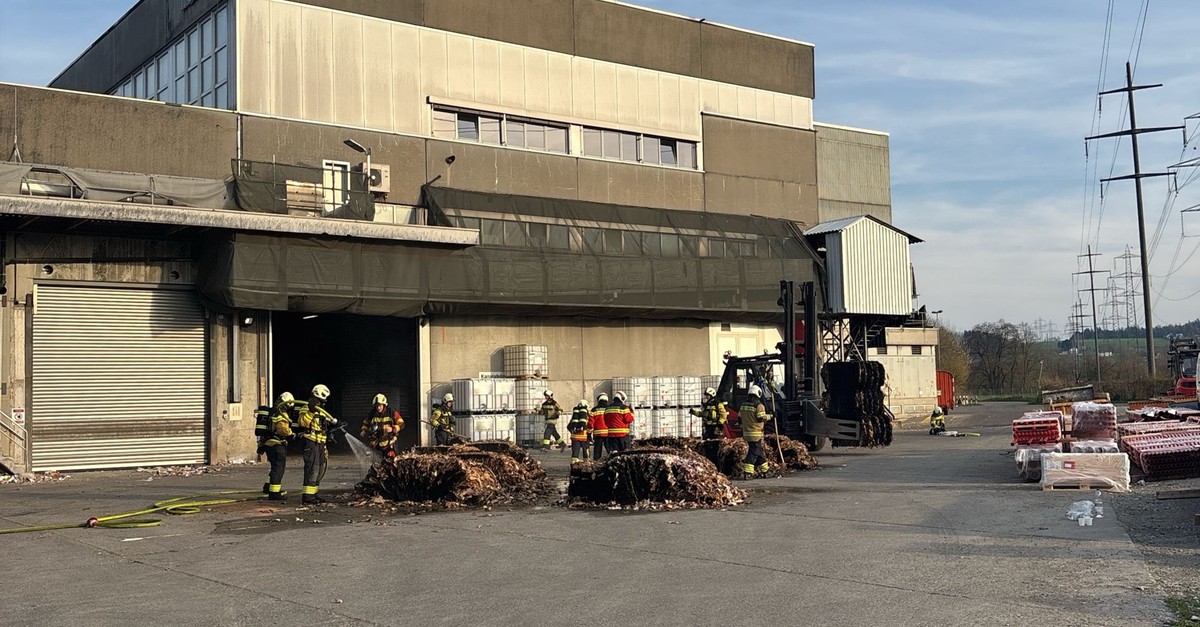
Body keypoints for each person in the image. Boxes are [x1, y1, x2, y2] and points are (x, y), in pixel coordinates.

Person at [297, 384, 338, 505]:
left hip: (320, 443)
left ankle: (313, 494)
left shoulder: (321, 410)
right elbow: (302, 423)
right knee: (312, 469)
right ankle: (308, 496)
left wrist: (334, 424)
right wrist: (310, 411)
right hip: (311, 442)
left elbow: (325, 424)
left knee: (320, 469)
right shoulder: (306, 407)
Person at [263, 392, 298, 501]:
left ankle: (267, 487)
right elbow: (282, 429)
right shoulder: (281, 414)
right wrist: (291, 434)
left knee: (274, 466)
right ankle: (274, 493)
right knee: (279, 468)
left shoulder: (271, 412)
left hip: (268, 443)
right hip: (277, 444)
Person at [361, 393, 404, 461]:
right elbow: (366, 422)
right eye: (377, 406)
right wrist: (364, 430)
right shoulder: (373, 413)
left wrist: (393, 429)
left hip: (390, 443)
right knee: (377, 463)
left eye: (380, 405)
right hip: (376, 443)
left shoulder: (391, 412)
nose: (378, 408)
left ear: (384, 405)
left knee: (391, 463)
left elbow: (401, 424)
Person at [738, 385, 770, 477]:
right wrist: (770, 416)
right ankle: (748, 472)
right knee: (753, 452)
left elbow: (739, 418)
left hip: (746, 433)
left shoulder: (743, 405)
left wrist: (743, 427)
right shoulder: (759, 406)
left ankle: (765, 471)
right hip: (756, 433)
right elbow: (761, 418)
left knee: (758, 450)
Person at [691, 386, 728, 463]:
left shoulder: (718, 404)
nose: (706, 397)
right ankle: (709, 460)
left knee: (716, 446)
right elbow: (703, 414)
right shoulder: (707, 405)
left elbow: (723, 414)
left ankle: (716, 461)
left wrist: (720, 423)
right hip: (708, 428)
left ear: (712, 395)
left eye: (708, 395)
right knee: (707, 446)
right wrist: (694, 412)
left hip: (715, 428)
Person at [589, 393, 609, 460]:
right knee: (610, 450)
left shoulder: (594, 410)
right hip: (608, 433)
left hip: (598, 433)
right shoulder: (609, 409)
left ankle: (596, 462)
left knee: (597, 450)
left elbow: (591, 423)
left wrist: (589, 433)